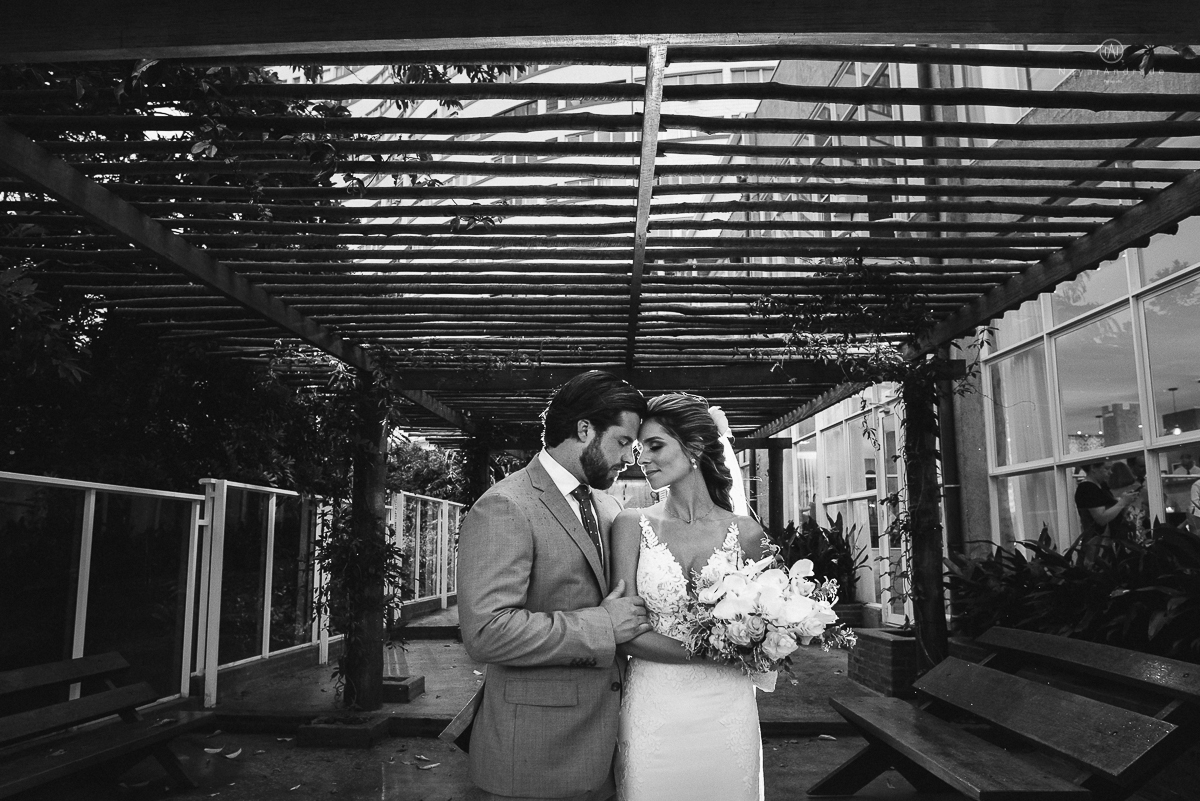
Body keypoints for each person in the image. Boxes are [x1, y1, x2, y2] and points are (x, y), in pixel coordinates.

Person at [457, 371, 652, 801]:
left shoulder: (608, 503)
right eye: (622, 442)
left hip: (608, 744)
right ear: (584, 429)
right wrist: (603, 627)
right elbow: (487, 632)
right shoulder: (505, 506)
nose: (630, 458)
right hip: (534, 751)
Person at [611, 393, 767, 801]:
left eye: (655, 445)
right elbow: (623, 630)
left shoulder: (747, 535)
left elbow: (769, 627)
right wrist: (708, 651)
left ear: (695, 446)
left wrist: (777, 633)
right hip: (654, 707)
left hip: (727, 710)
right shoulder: (630, 525)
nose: (641, 457)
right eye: (639, 448)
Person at [1074, 461, 1139, 562]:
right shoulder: (1087, 488)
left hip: (1110, 542)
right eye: (1106, 469)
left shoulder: (1102, 486)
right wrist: (1122, 502)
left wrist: (1125, 503)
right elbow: (1101, 519)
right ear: (1093, 468)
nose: (1110, 472)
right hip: (1097, 544)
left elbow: (1112, 514)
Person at [1106, 460, 1150, 545]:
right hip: (1139, 537)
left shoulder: (1109, 494)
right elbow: (1158, 505)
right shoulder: (1140, 491)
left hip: (1115, 538)